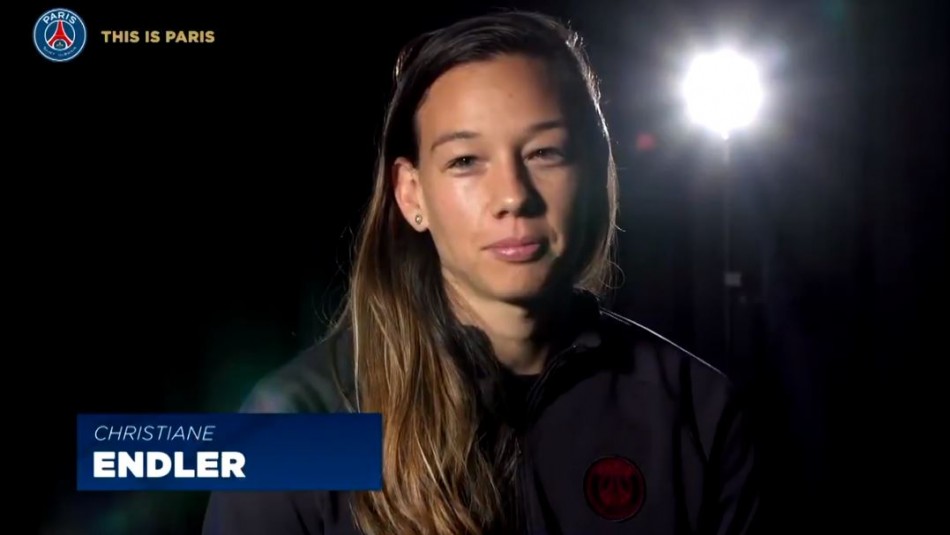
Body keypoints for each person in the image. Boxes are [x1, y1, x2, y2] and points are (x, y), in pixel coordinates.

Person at [203, 10, 758, 535]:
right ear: (411, 192)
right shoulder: (300, 420)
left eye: (546, 152)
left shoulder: (695, 411)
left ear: (593, 173)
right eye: (466, 161)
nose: (513, 196)